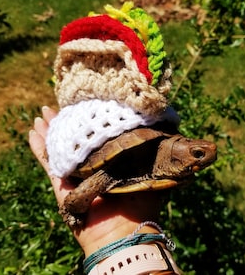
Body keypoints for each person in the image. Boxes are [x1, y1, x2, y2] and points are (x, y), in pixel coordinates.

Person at [29, 105, 181, 274]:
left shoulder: (166, 157)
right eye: (198, 154)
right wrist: (72, 209)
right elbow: (78, 196)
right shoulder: (112, 171)